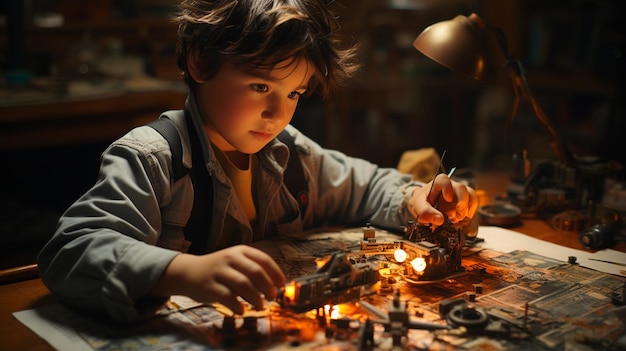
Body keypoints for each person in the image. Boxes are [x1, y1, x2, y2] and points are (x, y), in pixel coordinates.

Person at [38, 0, 478, 323]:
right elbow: (71, 250)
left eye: (294, 94)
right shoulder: (154, 157)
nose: (278, 114)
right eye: (260, 87)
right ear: (202, 62)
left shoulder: (291, 154)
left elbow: (370, 186)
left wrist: (418, 199)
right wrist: (182, 271)